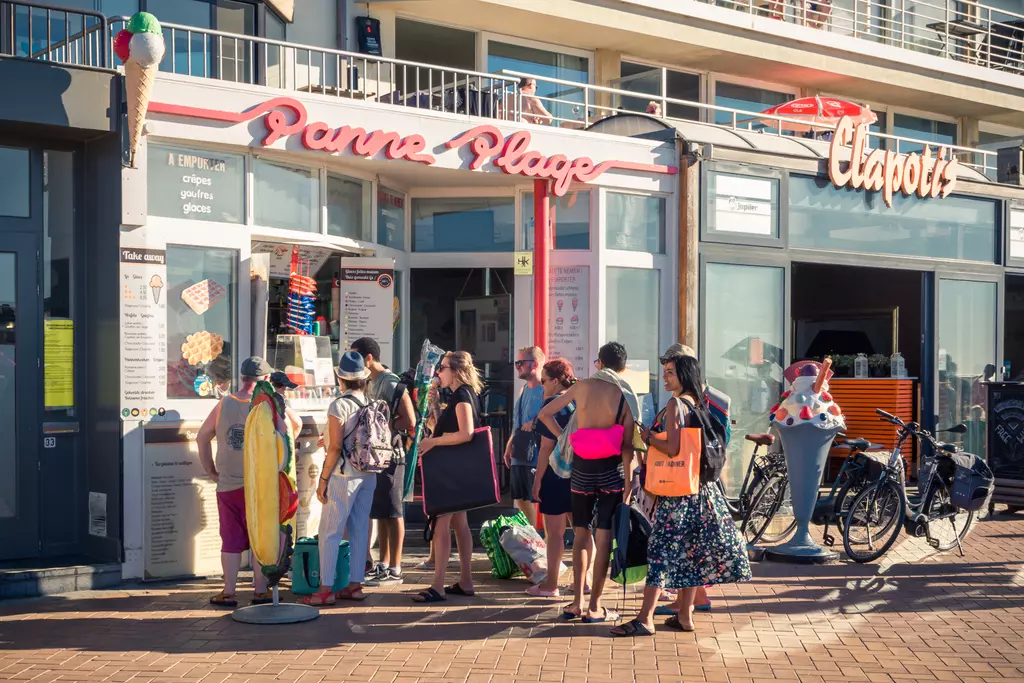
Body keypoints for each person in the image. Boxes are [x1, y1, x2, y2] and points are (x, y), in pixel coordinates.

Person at [612, 355, 751, 637]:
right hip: (701, 490)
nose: (665, 377)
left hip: (679, 493)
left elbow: (674, 446)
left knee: (660, 550)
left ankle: (645, 618)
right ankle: (685, 616)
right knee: (692, 551)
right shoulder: (698, 403)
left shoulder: (676, 404)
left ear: (684, 375)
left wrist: (649, 438)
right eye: (664, 372)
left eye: (670, 373)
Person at [538, 341, 638, 623]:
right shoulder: (624, 394)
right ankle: (595, 606)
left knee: (581, 533)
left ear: (598, 363)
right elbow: (628, 445)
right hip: (611, 471)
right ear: (623, 367)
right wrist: (629, 482)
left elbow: (544, 413)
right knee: (603, 536)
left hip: (581, 468)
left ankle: (576, 603)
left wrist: (565, 437)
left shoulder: (581, 387)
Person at [298, 352, 378, 606]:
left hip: (344, 475)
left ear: (341, 379)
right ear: (363, 380)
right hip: (368, 473)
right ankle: (355, 586)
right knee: (358, 529)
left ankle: (325, 590)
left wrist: (323, 480)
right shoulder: (369, 402)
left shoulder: (339, 405)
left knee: (330, 531)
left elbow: (334, 449)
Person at [197, 356, 273, 608]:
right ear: (265, 380)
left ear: (242, 378)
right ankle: (260, 590)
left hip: (228, 484)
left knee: (230, 538)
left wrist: (211, 470)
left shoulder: (224, 403)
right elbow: (293, 426)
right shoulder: (267, 404)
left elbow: (202, 437)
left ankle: (228, 591)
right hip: (260, 484)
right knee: (261, 536)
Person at [412, 351, 483, 603]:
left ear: (455, 370)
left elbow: (466, 433)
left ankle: (438, 585)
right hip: (458, 468)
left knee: (442, 523)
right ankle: (465, 580)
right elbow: (443, 426)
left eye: (442, 368)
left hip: (453, 470)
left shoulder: (463, 394)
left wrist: (433, 442)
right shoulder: (462, 394)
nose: (438, 373)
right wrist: (433, 405)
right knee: (459, 524)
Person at [350, 337, 416, 583]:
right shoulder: (369, 382)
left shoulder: (391, 383)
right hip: (374, 457)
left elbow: (409, 421)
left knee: (394, 510)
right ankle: (383, 563)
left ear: (369, 358)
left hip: (391, 455)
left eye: (357, 356)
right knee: (381, 511)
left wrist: (382, 426)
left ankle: (396, 567)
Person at [527, 359, 579, 598]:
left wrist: (538, 480)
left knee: (555, 532)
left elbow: (546, 448)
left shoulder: (552, 404)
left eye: (545, 380)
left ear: (556, 381)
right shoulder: (577, 401)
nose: (542, 385)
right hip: (579, 472)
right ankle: (583, 582)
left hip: (557, 474)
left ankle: (551, 584)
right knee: (582, 530)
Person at [503, 346, 546, 527]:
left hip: (537, 455)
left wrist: (535, 421)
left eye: (521, 363)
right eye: (516, 363)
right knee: (521, 500)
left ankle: (546, 543)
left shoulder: (545, 389)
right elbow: (517, 422)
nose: (517, 366)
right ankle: (531, 541)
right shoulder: (523, 390)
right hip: (519, 453)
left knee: (543, 501)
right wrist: (509, 445)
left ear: (535, 364)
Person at [269, 371, 303, 438]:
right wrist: (289, 445)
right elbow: (297, 423)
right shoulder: (277, 402)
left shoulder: (258, 400)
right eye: (284, 389)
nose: (284, 393)